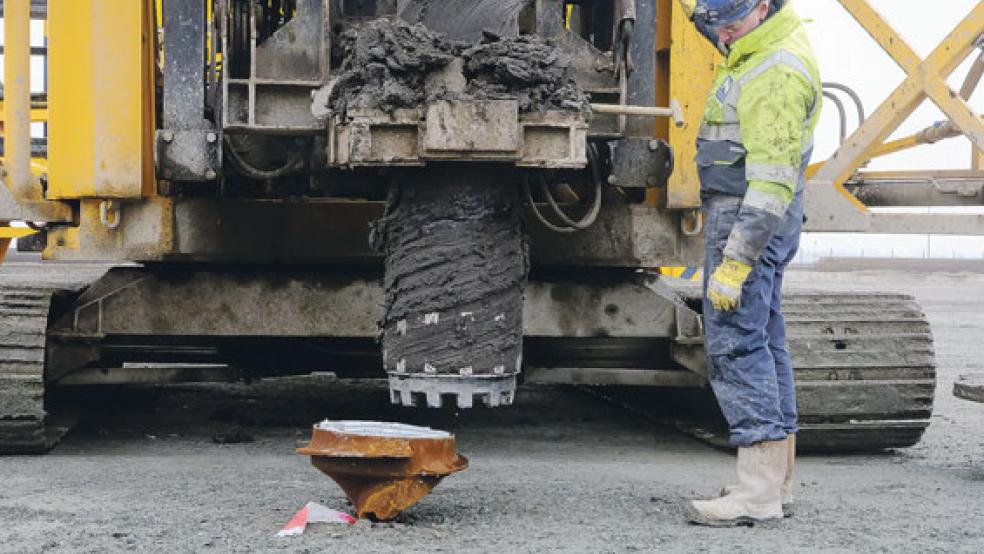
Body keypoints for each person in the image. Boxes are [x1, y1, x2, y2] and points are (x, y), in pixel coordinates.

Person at [678, 0, 821, 526]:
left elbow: (770, 181)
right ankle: (775, 485)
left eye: (731, 23)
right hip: (762, 215)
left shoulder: (775, 69)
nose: (723, 33)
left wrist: (735, 261)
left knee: (737, 341)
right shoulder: (758, 42)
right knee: (766, 338)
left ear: (762, 6)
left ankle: (756, 494)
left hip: (748, 216)